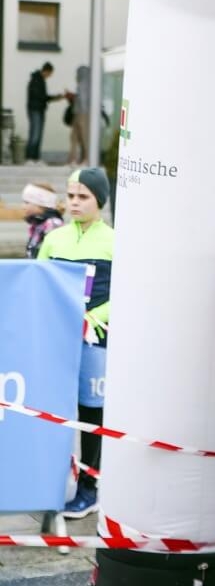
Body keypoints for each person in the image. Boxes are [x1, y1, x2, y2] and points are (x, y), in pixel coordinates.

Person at [37, 167, 113, 517]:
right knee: (54, 410)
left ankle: (89, 488)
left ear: (100, 200)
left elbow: (125, 291)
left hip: (96, 339)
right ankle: (51, 481)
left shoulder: (114, 241)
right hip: (58, 338)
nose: (75, 203)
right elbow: (39, 283)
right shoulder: (54, 239)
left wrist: (93, 318)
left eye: (83, 197)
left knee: (91, 411)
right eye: (70, 196)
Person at [25, 61, 62, 162]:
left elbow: (42, 96)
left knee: (38, 135)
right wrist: (53, 98)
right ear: (46, 71)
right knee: (35, 134)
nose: (49, 76)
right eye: (50, 74)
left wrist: (54, 98)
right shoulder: (36, 80)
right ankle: (29, 158)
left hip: (39, 110)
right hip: (35, 110)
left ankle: (35, 158)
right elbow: (40, 96)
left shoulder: (40, 80)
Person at [22, 181, 64, 258]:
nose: (23, 207)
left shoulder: (53, 224)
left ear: (40, 205)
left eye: (27, 202)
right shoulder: (37, 224)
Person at [66, 64, 90, 165]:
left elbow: (83, 100)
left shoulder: (83, 84)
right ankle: (73, 159)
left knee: (82, 137)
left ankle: (85, 158)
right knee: (74, 137)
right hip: (79, 113)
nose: (76, 75)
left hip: (81, 114)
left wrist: (82, 113)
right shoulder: (85, 84)